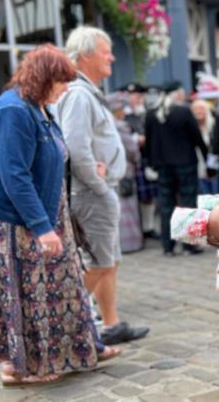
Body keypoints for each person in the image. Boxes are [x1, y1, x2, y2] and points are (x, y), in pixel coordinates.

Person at [0, 45, 120, 387]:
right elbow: (14, 174)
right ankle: (19, 367)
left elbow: (54, 154)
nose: (64, 90)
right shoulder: (14, 110)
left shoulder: (38, 107)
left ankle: (79, 348)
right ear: (43, 77)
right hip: (19, 220)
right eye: (60, 82)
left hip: (48, 212)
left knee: (64, 285)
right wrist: (41, 227)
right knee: (26, 293)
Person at [56, 26, 149, 347]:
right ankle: (61, 328)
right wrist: (97, 184)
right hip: (91, 192)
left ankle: (110, 324)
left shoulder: (85, 91)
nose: (111, 56)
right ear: (84, 55)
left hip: (98, 190)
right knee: (99, 262)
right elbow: (75, 147)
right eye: (105, 51)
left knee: (109, 260)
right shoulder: (78, 93)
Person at [145, 81, 207, 257]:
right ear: (176, 94)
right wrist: (206, 153)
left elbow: (148, 143)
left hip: (163, 165)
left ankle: (168, 246)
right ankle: (189, 245)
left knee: (166, 204)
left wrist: (151, 162)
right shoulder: (183, 112)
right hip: (185, 163)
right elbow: (197, 137)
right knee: (187, 204)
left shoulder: (151, 115)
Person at [107, 92, 144, 253]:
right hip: (125, 170)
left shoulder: (105, 125)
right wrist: (137, 159)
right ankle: (130, 243)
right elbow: (132, 149)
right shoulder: (120, 126)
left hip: (110, 170)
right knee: (127, 208)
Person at [123, 83, 158, 239]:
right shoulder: (122, 115)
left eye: (140, 96)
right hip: (130, 160)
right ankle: (138, 229)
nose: (138, 99)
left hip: (146, 158)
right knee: (133, 196)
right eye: (135, 96)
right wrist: (136, 139)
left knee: (148, 196)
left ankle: (148, 227)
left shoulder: (147, 113)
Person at [190, 98, 219, 194]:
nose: (198, 112)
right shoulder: (189, 128)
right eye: (195, 109)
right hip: (198, 168)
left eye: (201, 108)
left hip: (214, 168)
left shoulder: (214, 125)